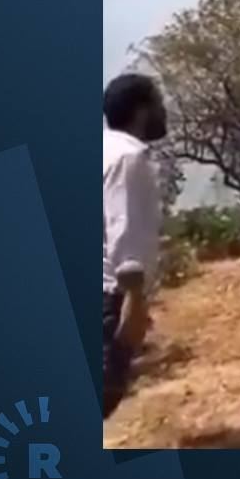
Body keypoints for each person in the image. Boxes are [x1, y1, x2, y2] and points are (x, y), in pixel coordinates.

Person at [102, 73, 168, 418]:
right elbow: (123, 233)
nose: (164, 112)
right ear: (141, 110)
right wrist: (134, 300)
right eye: (159, 103)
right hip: (109, 299)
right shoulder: (128, 157)